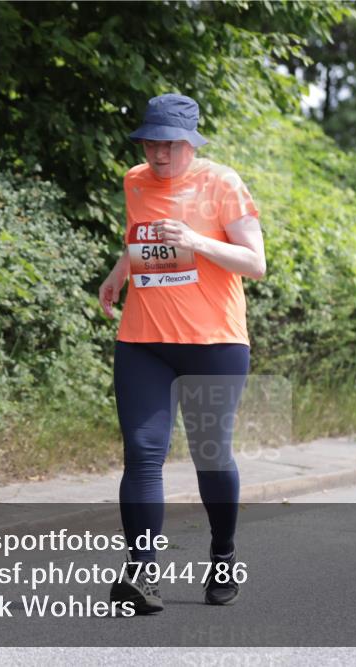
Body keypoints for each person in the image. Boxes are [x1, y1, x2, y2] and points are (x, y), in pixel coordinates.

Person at [99, 93, 266, 614]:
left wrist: (195, 240)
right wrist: (118, 274)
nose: (159, 152)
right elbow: (140, 239)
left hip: (213, 343)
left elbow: (254, 262)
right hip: (143, 340)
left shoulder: (223, 183)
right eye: (151, 141)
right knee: (143, 453)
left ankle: (223, 554)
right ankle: (142, 575)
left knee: (210, 456)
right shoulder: (134, 180)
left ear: (191, 142)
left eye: (170, 143)